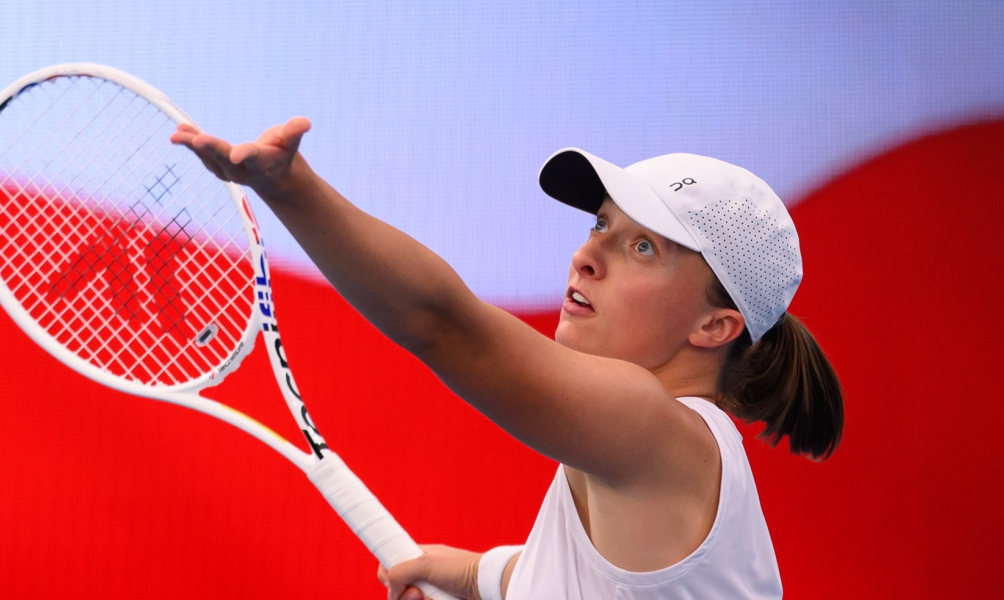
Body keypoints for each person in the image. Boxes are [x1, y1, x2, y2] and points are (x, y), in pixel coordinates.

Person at [172, 117, 843, 600]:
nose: (588, 254)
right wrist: (470, 578)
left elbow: (440, 326)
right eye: (603, 224)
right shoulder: (642, 466)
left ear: (715, 324)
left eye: (645, 248)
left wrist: (291, 191)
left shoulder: (657, 432)